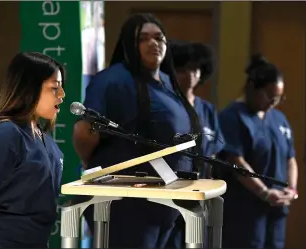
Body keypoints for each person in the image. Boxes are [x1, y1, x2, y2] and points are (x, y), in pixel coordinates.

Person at [73, 13, 203, 248]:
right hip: (128, 203)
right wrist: (91, 166)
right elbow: (84, 133)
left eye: (159, 38)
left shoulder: (167, 81)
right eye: (144, 38)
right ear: (128, 44)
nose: (154, 43)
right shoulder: (112, 80)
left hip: (166, 200)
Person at [0, 52, 66, 248]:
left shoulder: (48, 142)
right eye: (54, 88)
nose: (62, 95)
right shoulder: (6, 133)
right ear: (28, 88)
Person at [218, 54, 298, 249]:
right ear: (253, 88)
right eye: (270, 96)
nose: (274, 102)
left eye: (279, 98)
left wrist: (291, 189)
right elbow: (236, 160)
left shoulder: (278, 119)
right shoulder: (233, 116)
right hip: (246, 211)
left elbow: (290, 158)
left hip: (277, 208)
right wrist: (263, 192)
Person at [165, 40, 225, 248]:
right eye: (182, 70)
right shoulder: (166, 107)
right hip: (169, 195)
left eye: (194, 70)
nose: (189, 76)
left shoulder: (207, 110)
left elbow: (215, 152)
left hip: (201, 195)